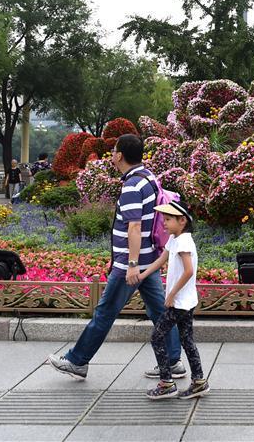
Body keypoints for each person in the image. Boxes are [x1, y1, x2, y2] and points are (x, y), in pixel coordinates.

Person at [48, 134, 183, 380]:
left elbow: (134, 227)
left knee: (105, 312)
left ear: (120, 155)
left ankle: (77, 361)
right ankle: (173, 362)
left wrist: (130, 264)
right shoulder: (149, 177)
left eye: (113, 150)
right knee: (160, 312)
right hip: (147, 259)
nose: (111, 154)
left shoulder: (132, 185)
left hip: (131, 265)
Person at [140, 199, 209, 400]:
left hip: (179, 303)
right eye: (164, 218)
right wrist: (143, 276)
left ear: (182, 221)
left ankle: (167, 383)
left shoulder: (184, 241)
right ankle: (199, 382)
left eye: (168, 219)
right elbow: (161, 260)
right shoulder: (175, 239)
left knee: (157, 337)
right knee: (187, 340)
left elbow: (188, 271)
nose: (164, 223)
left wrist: (170, 294)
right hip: (185, 301)